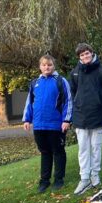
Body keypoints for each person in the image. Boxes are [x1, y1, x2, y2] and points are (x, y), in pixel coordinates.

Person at [69, 43, 102, 194]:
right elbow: (73, 93)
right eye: (82, 55)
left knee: (96, 147)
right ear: (79, 57)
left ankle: (95, 175)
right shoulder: (75, 73)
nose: (85, 56)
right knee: (83, 149)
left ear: (92, 53)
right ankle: (84, 178)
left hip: (98, 116)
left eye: (87, 53)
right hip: (81, 117)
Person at [23, 55, 72, 193]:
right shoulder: (34, 83)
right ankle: (44, 181)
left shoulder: (61, 81)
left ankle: (59, 179)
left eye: (49, 65)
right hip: (39, 125)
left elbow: (68, 101)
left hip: (56, 125)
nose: (47, 67)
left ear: (53, 66)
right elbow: (30, 102)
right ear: (40, 67)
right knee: (45, 152)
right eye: (44, 65)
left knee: (58, 152)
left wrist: (66, 120)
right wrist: (27, 119)